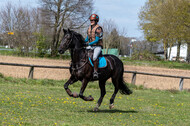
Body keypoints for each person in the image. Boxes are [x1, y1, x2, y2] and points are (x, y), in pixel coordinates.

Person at [84, 14, 103, 79]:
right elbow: (87, 38)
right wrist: (83, 42)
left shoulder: (98, 28)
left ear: (96, 21)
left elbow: (97, 40)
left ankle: (95, 72)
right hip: (91, 46)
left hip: (97, 46)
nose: (91, 21)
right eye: (91, 20)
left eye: (93, 20)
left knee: (94, 57)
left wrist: (89, 44)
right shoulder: (89, 28)